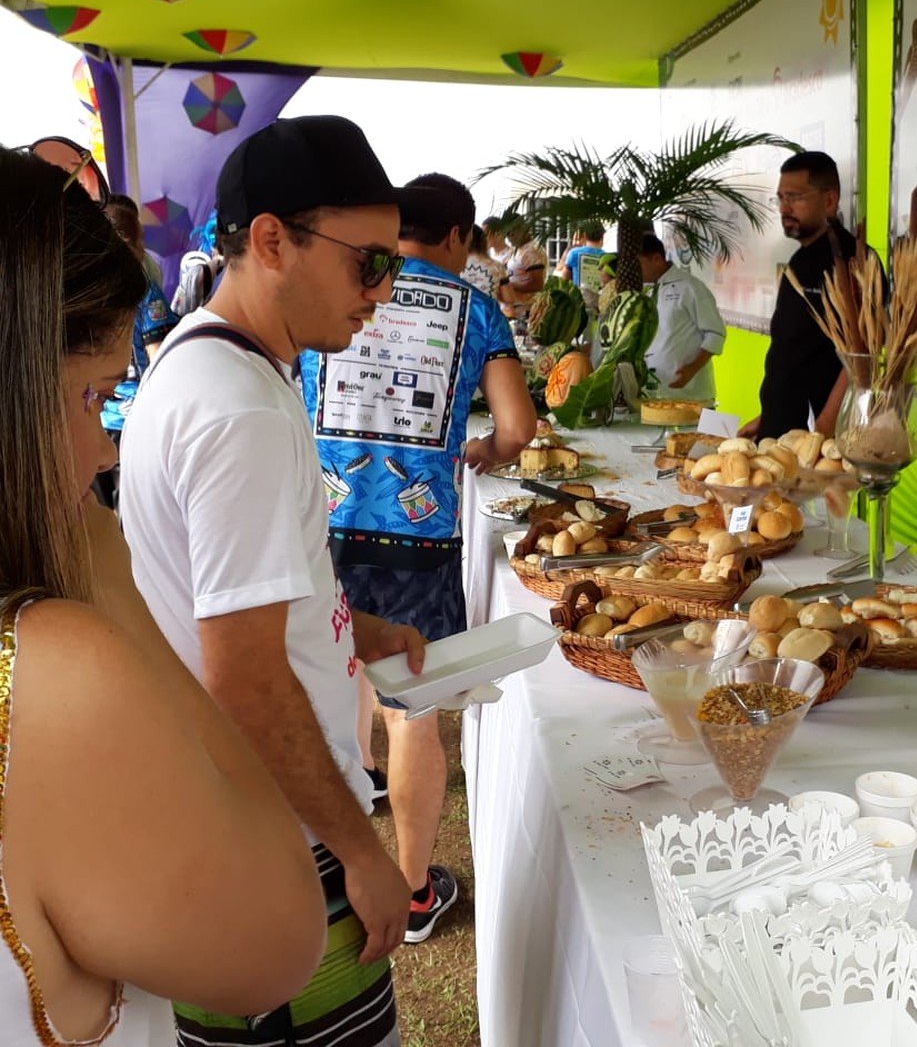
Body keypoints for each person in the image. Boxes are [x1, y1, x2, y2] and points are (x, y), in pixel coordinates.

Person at [0, 145, 326, 1044]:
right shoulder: (52, 672)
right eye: (91, 397)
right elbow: (275, 942)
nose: (104, 449)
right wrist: (106, 570)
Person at [120, 115, 427, 1047]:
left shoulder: (220, 361)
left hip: (258, 818)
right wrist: (362, 849)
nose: (385, 290)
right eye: (368, 262)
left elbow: (235, 596)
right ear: (270, 241)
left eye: (394, 264)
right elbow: (246, 675)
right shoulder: (237, 411)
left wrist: (352, 624)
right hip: (280, 835)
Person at [300, 173, 536, 944]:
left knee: (334, 679)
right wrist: (482, 449)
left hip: (322, 523)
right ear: (460, 237)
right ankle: (409, 892)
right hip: (418, 536)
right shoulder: (474, 306)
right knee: (415, 715)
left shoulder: (337, 283)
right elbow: (518, 427)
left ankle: (336, 846)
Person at [740, 151, 878, 440]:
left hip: (820, 437)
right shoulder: (799, 261)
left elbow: (864, 352)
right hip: (782, 433)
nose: (784, 208)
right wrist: (770, 415)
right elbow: (793, 350)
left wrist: (826, 427)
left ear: (829, 200)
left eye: (796, 197)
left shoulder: (855, 260)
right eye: (781, 198)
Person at [95, 196, 178, 510]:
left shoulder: (81, 289)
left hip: (93, 416)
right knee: (133, 513)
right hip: (133, 418)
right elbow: (158, 357)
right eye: (138, 240)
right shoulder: (142, 286)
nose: (144, 249)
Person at [638, 231, 726, 404]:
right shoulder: (648, 292)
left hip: (691, 396)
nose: (635, 270)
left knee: (692, 433)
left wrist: (692, 369)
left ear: (656, 259)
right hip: (656, 394)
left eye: (639, 264)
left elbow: (716, 333)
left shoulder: (691, 288)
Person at [461, 222, 513, 303]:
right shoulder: (497, 266)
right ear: (482, 241)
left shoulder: (454, 266)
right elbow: (509, 298)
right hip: (487, 313)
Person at [556, 221, 606, 288]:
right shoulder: (606, 257)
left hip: (578, 296)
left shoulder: (574, 253)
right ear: (602, 236)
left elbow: (564, 280)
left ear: (585, 235)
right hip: (600, 297)